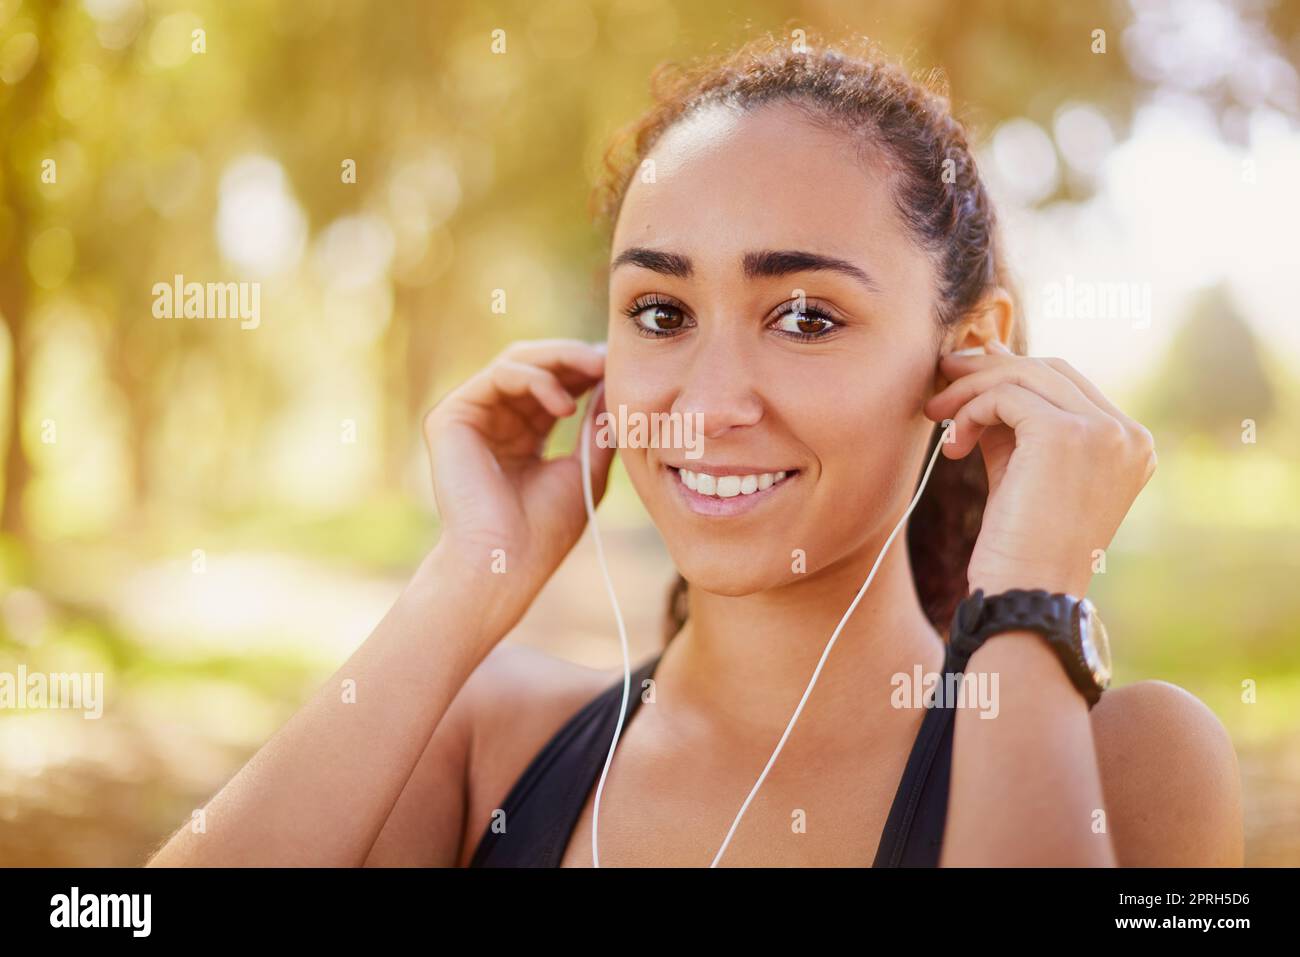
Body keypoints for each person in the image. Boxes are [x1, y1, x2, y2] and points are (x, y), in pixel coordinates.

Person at [148, 36, 1242, 868]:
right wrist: (467, 575)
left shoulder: (1133, 764)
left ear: (970, 352)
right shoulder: (486, 741)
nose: (708, 403)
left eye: (805, 316)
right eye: (661, 313)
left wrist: (1029, 600)